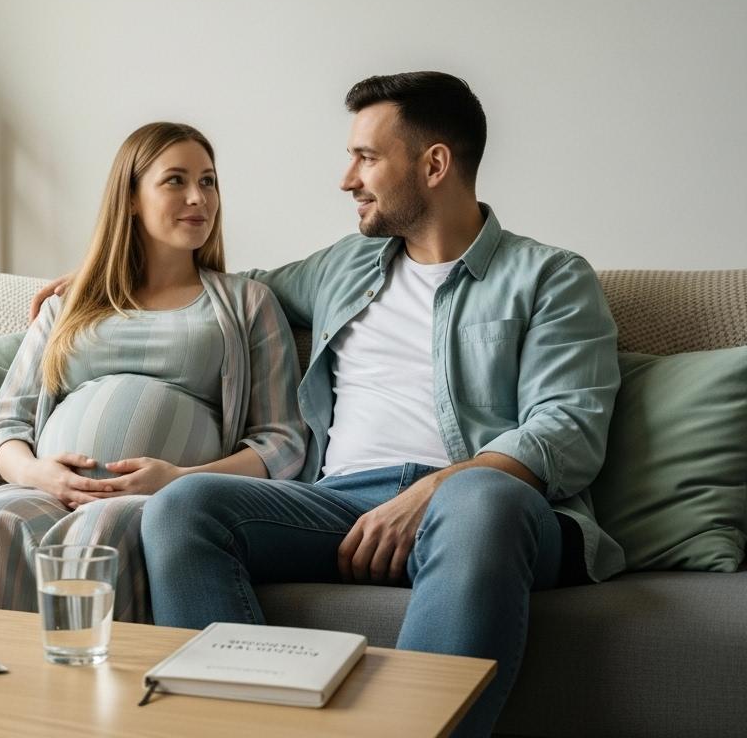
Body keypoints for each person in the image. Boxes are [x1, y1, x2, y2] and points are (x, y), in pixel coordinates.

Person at [32, 72, 621, 736]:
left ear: (433, 165)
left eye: (366, 157)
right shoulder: (347, 264)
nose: (347, 178)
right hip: (337, 503)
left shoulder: (550, 277)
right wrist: (105, 276)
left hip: (484, 506)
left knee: (480, 498)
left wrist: (430, 492)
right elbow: (229, 289)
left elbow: (566, 427)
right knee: (182, 506)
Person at [0, 122, 307, 623]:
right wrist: (40, 474)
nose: (199, 197)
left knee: (94, 536)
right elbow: (5, 425)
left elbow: (281, 441)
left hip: (154, 503)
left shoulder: (246, 304)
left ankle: (69, 697)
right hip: (49, 492)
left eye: (208, 181)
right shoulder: (72, 306)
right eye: (176, 181)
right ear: (131, 198)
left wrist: (180, 481)